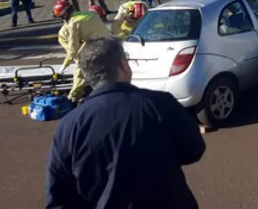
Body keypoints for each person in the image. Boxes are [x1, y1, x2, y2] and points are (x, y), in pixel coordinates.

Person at [45, 36, 205, 209]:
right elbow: (194, 150)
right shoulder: (161, 104)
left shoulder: (69, 126)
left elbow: (57, 194)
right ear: (122, 64)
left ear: (86, 75)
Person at [52, 0, 112, 103]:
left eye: (61, 17)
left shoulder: (72, 24)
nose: (62, 19)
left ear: (65, 14)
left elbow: (73, 49)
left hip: (97, 47)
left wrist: (65, 65)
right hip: (109, 43)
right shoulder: (88, 14)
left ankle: (72, 99)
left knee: (80, 71)